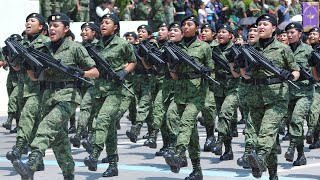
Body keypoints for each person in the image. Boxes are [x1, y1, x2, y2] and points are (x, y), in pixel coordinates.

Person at [12, 12, 99, 180]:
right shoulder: (43, 49)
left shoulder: (75, 48)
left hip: (68, 96)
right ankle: (69, 174)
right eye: (50, 26)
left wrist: (80, 72)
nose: (52, 29)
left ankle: (31, 164)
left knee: (47, 125)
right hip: (48, 96)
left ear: (66, 29)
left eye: (56, 26)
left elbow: (95, 72)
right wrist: (26, 64)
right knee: (59, 141)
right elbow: (35, 78)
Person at [244, 14, 300, 179]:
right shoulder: (250, 49)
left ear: (274, 28)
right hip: (255, 97)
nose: (261, 27)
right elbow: (245, 76)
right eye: (259, 24)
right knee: (270, 139)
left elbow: (295, 70)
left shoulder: (283, 48)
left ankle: (259, 158)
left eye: (265, 24)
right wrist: (239, 65)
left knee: (266, 133)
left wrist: (289, 76)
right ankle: (273, 174)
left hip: (276, 97)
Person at [83, 13, 136, 177]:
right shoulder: (96, 46)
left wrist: (123, 72)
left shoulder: (122, 44)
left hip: (115, 90)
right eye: (102, 23)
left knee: (103, 120)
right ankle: (113, 165)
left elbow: (133, 61)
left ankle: (95, 154)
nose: (103, 25)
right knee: (110, 130)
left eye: (108, 22)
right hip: (99, 90)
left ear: (116, 27)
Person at [164, 15, 213, 180]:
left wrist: (205, 70)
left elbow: (211, 70)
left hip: (197, 92)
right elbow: (174, 76)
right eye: (183, 25)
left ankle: (178, 153)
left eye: (189, 24)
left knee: (186, 122)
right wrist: (171, 64)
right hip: (180, 91)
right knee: (173, 118)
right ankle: (197, 169)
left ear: (197, 27)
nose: (185, 27)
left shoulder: (204, 47)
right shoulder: (175, 47)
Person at [6, 13, 50, 173]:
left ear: (41, 27)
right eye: (27, 21)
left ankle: (18, 148)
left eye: (32, 21)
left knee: (26, 116)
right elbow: (17, 67)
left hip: (40, 90)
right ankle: (37, 161)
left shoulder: (47, 43)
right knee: (34, 124)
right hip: (23, 88)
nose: (28, 23)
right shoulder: (21, 43)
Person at [284, 22, 313, 166]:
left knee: (296, 120)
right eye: (287, 33)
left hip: (304, 92)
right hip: (288, 92)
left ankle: (291, 148)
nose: (289, 35)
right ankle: (301, 155)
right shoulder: (283, 49)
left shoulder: (308, 50)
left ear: (300, 33)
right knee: (292, 123)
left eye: (292, 32)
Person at [210, 24, 240, 161]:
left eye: (224, 32)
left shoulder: (236, 50)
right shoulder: (211, 50)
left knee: (224, 113)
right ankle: (228, 150)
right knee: (225, 119)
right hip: (218, 87)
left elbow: (238, 73)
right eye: (219, 32)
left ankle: (219, 140)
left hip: (233, 87)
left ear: (231, 35)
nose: (220, 34)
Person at [69, 22, 100, 149]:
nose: (84, 32)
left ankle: (83, 135)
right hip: (81, 82)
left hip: (96, 83)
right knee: (86, 109)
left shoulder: (100, 46)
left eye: (87, 29)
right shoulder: (79, 47)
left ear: (94, 32)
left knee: (90, 109)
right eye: (82, 30)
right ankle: (85, 136)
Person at [237, 23, 259, 169]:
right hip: (248, 93)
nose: (251, 32)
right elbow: (243, 76)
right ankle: (249, 154)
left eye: (255, 31)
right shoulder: (244, 50)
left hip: (268, 96)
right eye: (250, 30)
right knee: (250, 125)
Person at [199, 23, 218, 152]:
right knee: (207, 110)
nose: (204, 33)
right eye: (202, 31)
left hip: (217, 84)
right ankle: (210, 136)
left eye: (207, 31)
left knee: (209, 109)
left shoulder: (217, 48)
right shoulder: (199, 47)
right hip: (201, 84)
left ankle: (215, 138)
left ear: (214, 34)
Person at [306, 27, 320, 149]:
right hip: (314, 85)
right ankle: (316, 138)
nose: (311, 36)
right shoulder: (308, 50)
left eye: (314, 34)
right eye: (310, 34)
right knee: (314, 111)